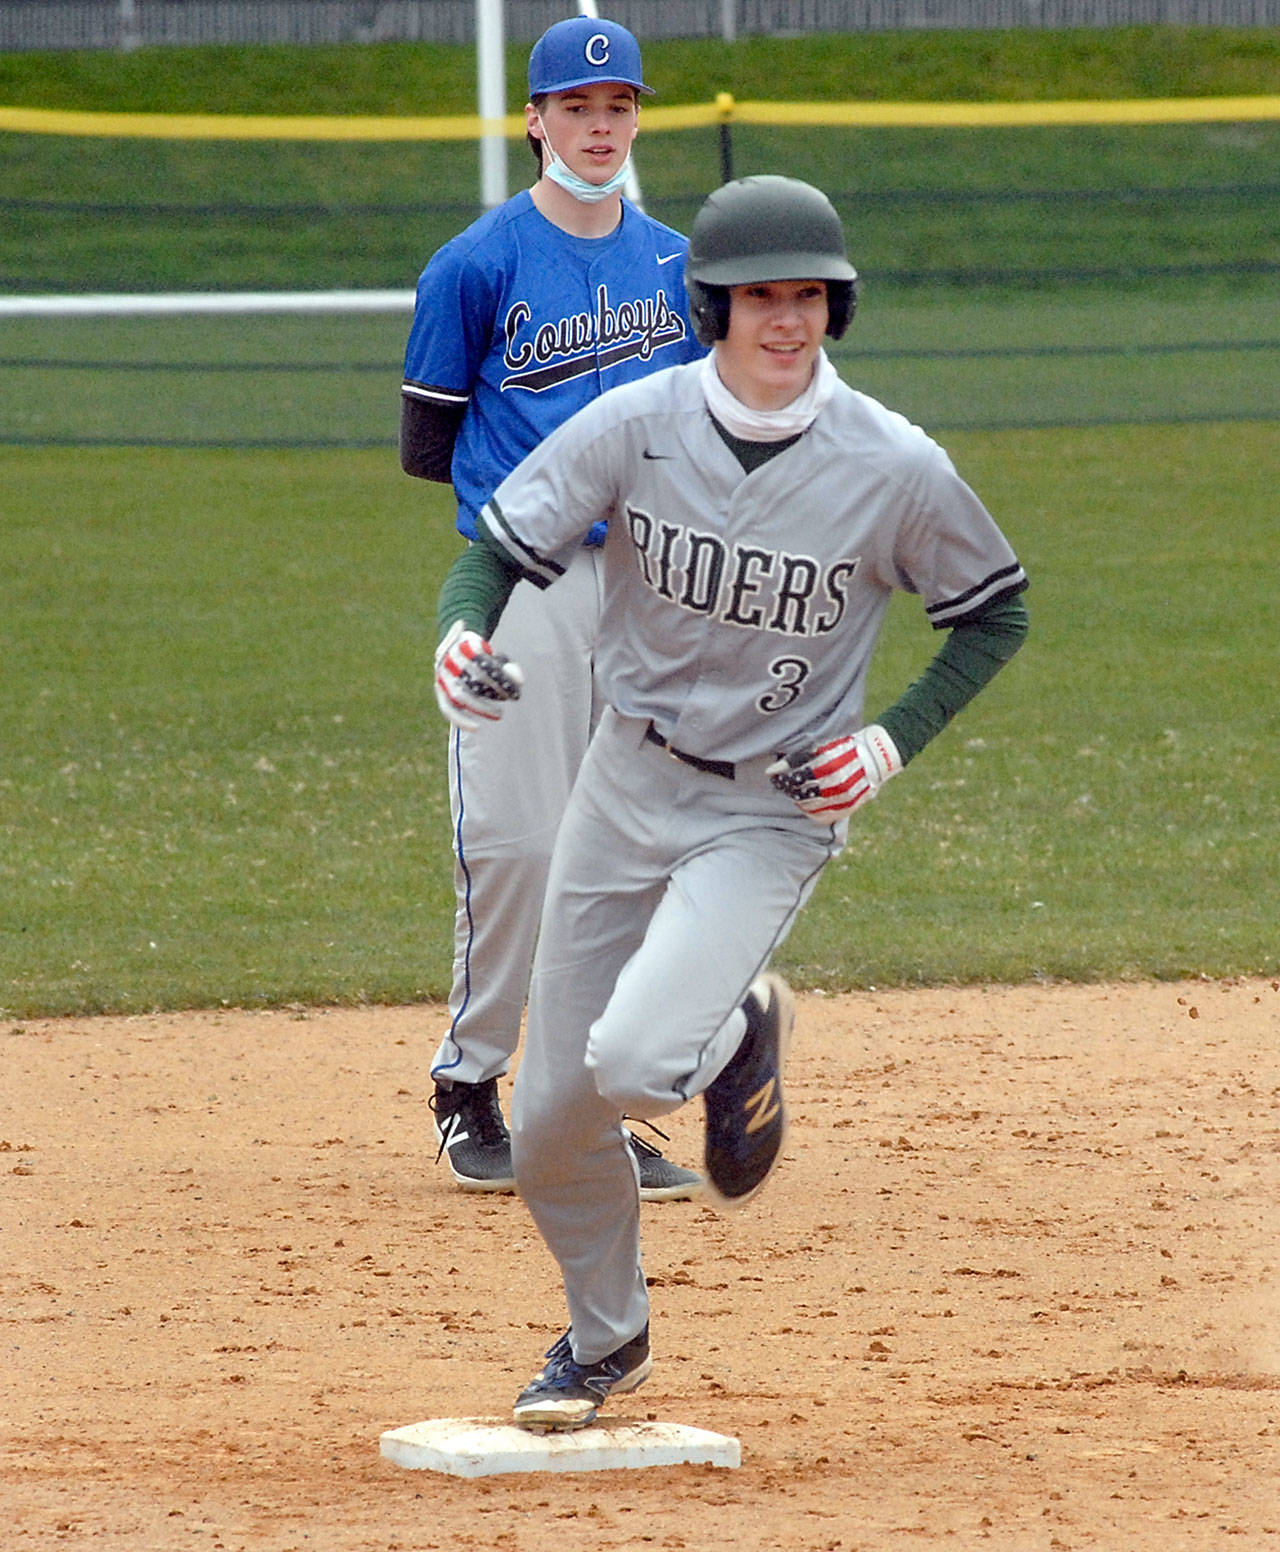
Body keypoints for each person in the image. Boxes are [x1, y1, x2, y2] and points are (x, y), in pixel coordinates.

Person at [432, 173, 1030, 1431]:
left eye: (809, 294)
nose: (786, 318)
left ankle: (739, 1024)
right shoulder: (636, 422)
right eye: (762, 293)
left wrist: (888, 742)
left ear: (835, 307)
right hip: (626, 774)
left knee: (639, 1062)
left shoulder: (891, 463)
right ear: (714, 303)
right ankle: (606, 1342)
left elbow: (991, 612)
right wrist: (458, 638)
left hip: (771, 805)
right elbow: (498, 542)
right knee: (546, 1122)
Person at [400, 16, 704, 1199]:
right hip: (526, 580)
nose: (596, 127)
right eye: (575, 109)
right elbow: (431, 444)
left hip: (647, 591)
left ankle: (585, 1108)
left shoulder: (678, 265)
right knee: (519, 843)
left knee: (626, 856)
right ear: (533, 121)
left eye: (616, 108)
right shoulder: (474, 263)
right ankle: (468, 1079)